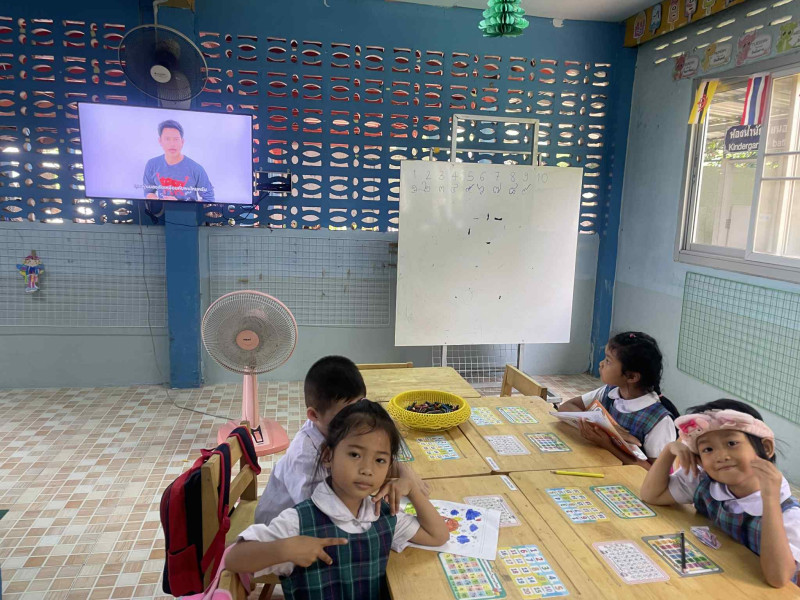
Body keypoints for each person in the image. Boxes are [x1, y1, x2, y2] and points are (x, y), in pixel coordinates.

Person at [226, 400, 449, 599]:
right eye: (355, 454)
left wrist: (413, 489)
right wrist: (284, 549)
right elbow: (233, 558)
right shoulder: (299, 523)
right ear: (328, 456)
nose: (367, 469)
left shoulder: (380, 515)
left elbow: (437, 535)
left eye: (380, 460)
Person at [640, 399, 800, 587]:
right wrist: (669, 451)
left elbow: (778, 579)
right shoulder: (704, 482)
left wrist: (770, 500)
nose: (721, 456)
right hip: (711, 581)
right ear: (699, 459)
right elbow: (652, 495)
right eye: (708, 449)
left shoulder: (788, 514)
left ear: (765, 448)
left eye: (732, 443)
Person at [255, 356, 427, 525]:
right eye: (345, 413)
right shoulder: (305, 457)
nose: (356, 418)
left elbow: (376, 455)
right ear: (314, 415)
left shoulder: (338, 428)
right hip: (281, 529)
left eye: (359, 404)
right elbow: (320, 518)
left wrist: (405, 474)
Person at [558, 331, 679, 469]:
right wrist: (609, 428)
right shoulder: (610, 391)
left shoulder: (659, 421)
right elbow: (566, 407)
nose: (601, 364)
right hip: (602, 466)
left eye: (608, 361)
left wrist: (608, 444)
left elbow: (655, 473)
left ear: (632, 377)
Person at [142, 119, 215, 202]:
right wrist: (161, 201)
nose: (172, 144)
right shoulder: (152, 164)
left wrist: (179, 205)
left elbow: (209, 199)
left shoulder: (196, 169)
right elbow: (148, 192)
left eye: (176, 139)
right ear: (160, 141)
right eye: (167, 139)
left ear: (182, 142)